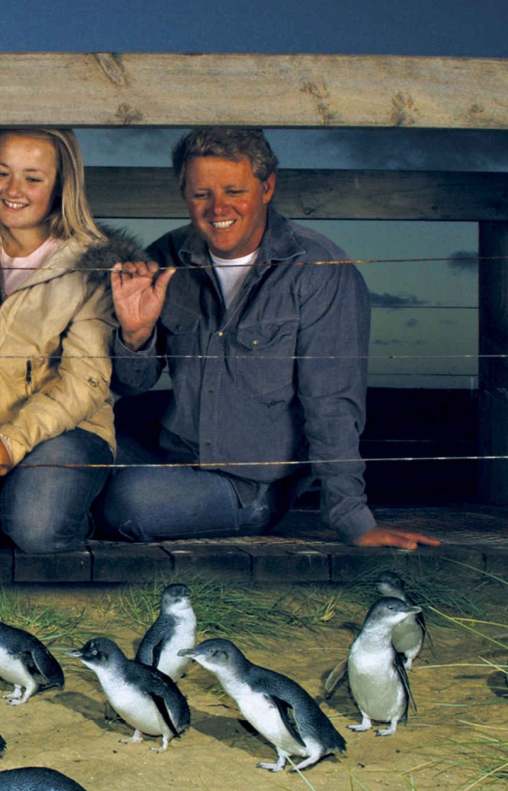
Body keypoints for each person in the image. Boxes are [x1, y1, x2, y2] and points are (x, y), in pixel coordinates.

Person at [97, 126, 438, 550]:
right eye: (201, 193)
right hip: (169, 454)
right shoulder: (165, 258)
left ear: (267, 187)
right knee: (66, 464)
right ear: (184, 194)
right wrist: (135, 332)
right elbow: (132, 383)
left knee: (128, 501)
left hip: (253, 487)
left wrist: (353, 520)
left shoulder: (321, 272)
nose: (218, 208)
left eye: (234, 191)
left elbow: (333, 407)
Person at [0, 128, 144, 555]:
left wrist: (13, 443)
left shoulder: (92, 263)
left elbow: (86, 381)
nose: (12, 190)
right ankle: (19, 502)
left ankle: (72, 504)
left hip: (74, 428)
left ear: (61, 185)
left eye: (33, 178)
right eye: (2, 173)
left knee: (38, 528)